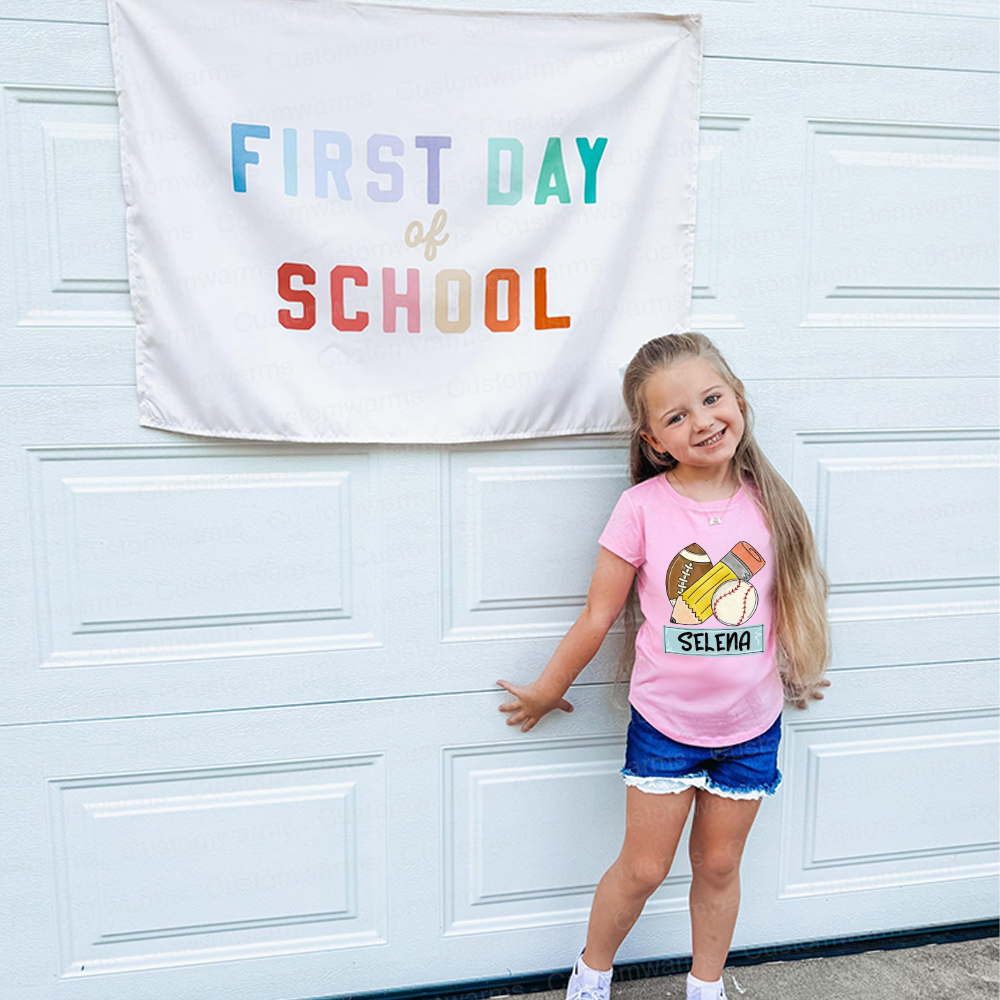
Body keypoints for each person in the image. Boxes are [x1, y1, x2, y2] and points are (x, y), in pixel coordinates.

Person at [495, 332, 832, 1000]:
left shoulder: (771, 502)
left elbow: (788, 594)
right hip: (665, 727)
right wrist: (545, 689)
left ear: (737, 397)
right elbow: (598, 614)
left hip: (750, 728)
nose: (703, 420)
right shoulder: (641, 509)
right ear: (654, 441)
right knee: (644, 868)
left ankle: (705, 987)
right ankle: (591, 975)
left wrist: (799, 663)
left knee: (717, 867)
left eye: (712, 399)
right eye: (677, 416)